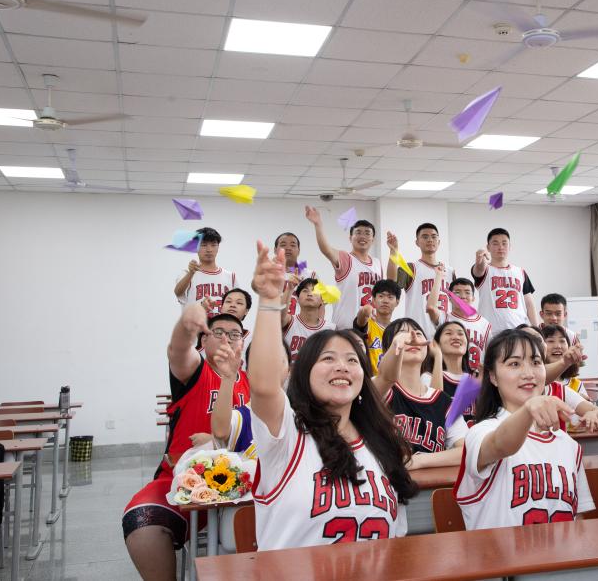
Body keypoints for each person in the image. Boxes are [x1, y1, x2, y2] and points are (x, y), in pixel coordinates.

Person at [247, 240, 417, 550]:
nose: (342, 366)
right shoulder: (288, 436)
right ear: (304, 373)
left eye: (352, 360)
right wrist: (270, 301)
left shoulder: (381, 443)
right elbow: (264, 385)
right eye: (328, 358)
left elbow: (396, 538)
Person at [123, 304, 250, 581]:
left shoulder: (252, 382)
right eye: (218, 332)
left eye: (234, 334)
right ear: (204, 340)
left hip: (245, 482)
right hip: (187, 480)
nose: (227, 338)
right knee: (142, 522)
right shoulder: (196, 371)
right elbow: (178, 350)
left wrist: (215, 440)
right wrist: (185, 325)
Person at [453, 328, 596, 529]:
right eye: (514, 364)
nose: (528, 373)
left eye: (536, 362)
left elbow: (577, 519)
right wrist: (528, 409)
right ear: (493, 377)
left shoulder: (569, 445)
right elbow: (499, 445)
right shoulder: (481, 431)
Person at [370, 318, 467, 467]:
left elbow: (467, 451)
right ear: (386, 350)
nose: (412, 338)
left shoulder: (445, 402)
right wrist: (397, 345)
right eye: (403, 334)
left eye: (418, 334)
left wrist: (418, 461)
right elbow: (386, 376)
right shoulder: (380, 387)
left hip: (430, 481)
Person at [305, 206, 384, 330]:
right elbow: (326, 249)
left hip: (371, 328)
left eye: (367, 233)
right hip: (346, 328)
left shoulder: (377, 263)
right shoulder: (346, 258)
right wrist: (318, 224)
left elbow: (385, 291)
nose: (362, 236)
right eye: (358, 232)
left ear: (372, 239)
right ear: (350, 238)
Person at [386, 223, 456, 339]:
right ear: (417, 242)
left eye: (433, 236)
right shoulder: (411, 268)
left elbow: (456, 304)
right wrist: (394, 251)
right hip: (417, 334)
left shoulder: (450, 271)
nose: (430, 240)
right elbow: (391, 282)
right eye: (425, 237)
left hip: (443, 334)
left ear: (439, 242)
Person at [471, 228, 537, 336]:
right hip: (491, 333)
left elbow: (529, 303)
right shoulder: (485, 270)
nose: (500, 247)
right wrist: (479, 260)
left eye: (504, 243)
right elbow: (478, 270)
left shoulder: (520, 272)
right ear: (488, 247)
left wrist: (536, 328)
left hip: (518, 331)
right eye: (495, 243)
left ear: (510, 246)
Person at [427, 272, 492, 369]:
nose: (462, 296)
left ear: (473, 298)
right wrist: (438, 277)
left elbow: (490, 355)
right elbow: (431, 307)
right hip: (448, 372)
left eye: (467, 292)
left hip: (475, 374)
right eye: (457, 292)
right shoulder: (445, 318)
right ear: (449, 298)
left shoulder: (484, 324)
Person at [174, 227, 237, 316]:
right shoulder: (187, 274)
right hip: (195, 324)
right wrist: (191, 273)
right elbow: (178, 292)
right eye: (203, 245)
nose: (209, 249)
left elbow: (237, 305)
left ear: (218, 247)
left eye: (213, 245)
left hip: (222, 324)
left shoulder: (231, 277)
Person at [354, 279, 401, 374]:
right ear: (374, 300)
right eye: (381, 296)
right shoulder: (368, 323)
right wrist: (366, 309)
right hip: (369, 379)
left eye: (390, 297)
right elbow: (361, 319)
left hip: (391, 380)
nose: (385, 301)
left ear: (397, 302)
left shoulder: (399, 331)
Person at [283, 278, 333, 365]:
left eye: (315, 291)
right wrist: (289, 289)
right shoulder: (289, 321)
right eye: (305, 291)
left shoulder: (331, 329)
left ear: (322, 300)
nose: (310, 294)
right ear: (297, 299)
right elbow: (278, 316)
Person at [275, 231, 316, 315]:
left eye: (293, 245)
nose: (288, 248)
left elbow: (320, 304)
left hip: (300, 323)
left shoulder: (311, 275)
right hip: (273, 321)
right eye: (283, 245)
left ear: (298, 250)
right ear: (275, 250)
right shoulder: (269, 274)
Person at [541, 325, 587, 398]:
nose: (558, 346)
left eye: (562, 341)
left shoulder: (576, 384)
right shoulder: (535, 383)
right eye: (550, 341)